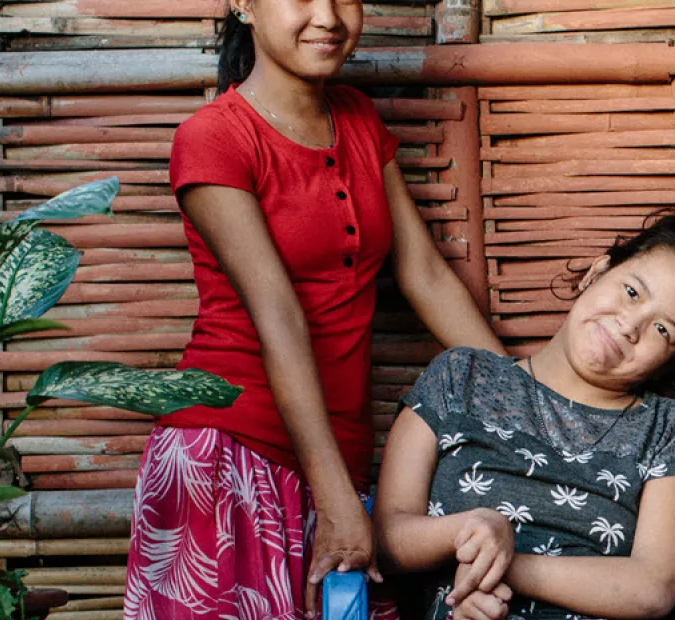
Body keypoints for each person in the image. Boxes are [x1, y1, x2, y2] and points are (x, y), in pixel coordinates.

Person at [122, 0, 505, 616]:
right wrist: (334, 497)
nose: (327, 15)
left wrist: (529, 404)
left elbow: (424, 274)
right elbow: (276, 311)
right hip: (226, 459)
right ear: (243, 4)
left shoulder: (355, 118)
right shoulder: (213, 137)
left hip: (336, 459)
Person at [373, 212, 675, 620]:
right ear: (597, 271)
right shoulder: (459, 378)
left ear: (673, 361)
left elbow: (653, 586)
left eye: (663, 330)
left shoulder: (668, 431)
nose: (631, 325)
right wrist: (472, 529)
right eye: (631, 292)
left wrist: (502, 566)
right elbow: (385, 539)